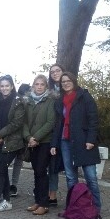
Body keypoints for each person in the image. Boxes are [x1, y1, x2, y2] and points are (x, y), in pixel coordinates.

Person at [50, 71, 102, 212]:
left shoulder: (84, 97)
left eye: (68, 81)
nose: (66, 83)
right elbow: (58, 124)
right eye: (63, 82)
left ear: (74, 81)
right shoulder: (60, 101)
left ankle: (96, 207)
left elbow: (93, 120)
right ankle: (74, 205)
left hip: (83, 141)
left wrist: (91, 139)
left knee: (90, 177)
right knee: (70, 177)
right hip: (65, 141)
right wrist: (54, 143)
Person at [0, 75, 24, 215]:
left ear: (12, 86)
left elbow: (16, 123)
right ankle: (7, 201)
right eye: (2, 86)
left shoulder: (18, 101)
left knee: (0, 168)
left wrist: (0, 134)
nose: (4, 88)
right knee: (1, 169)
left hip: (12, 142)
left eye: (7, 85)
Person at [23, 75, 55, 216]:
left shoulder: (50, 101)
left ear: (46, 86)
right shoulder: (28, 102)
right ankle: (37, 200)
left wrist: (36, 137)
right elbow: (23, 122)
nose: (39, 86)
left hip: (44, 141)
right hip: (31, 142)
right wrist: (29, 137)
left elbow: (50, 122)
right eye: (37, 84)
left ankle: (44, 203)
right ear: (33, 86)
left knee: (42, 171)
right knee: (36, 172)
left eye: (42, 84)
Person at [9, 82, 32, 197]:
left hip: (23, 136)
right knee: (16, 162)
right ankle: (13, 184)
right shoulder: (18, 101)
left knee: (17, 161)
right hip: (15, 136)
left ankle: (13, 185)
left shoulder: (28, 102)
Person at [47, 64, 65, 205]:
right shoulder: (48, 91)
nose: (55, 73)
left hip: (65, 131)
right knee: (50, 165)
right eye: (52, 72)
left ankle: (74, 196)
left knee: (65, 167)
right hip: (50, 131)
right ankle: (50, 195)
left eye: (57, 70)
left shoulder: (69, 89)